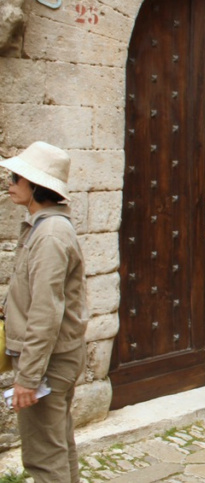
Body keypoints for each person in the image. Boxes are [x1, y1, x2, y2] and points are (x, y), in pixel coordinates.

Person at [0, 142, 87, 482]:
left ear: (37, 186)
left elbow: (46, 312)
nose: (9, 183)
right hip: (53, 358)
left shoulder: (50, 234)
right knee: (58, 447)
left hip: (48, 361)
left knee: (44, 458)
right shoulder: (43, 228)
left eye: (16, 178)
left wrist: (29, 378)